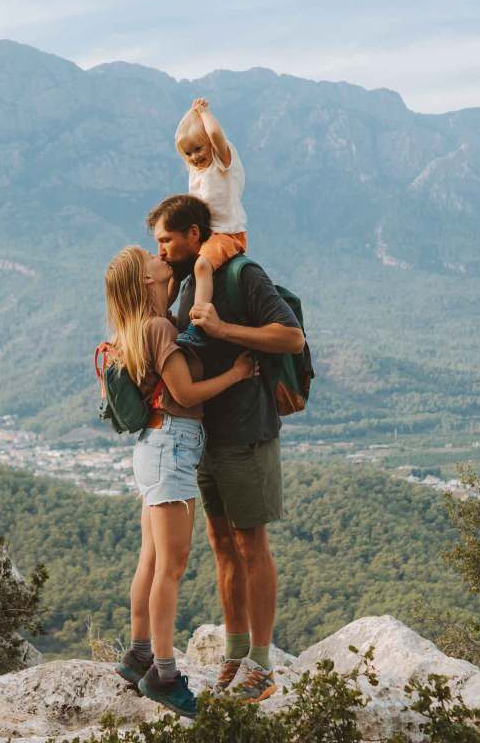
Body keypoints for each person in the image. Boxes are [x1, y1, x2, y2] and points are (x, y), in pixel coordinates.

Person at [146, 194, 305, 704]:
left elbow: (291, 337)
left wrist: (222, 329)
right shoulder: (191, 281)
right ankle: (236, 654)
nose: (163, 250)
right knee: (221, 545)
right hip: (206, 437)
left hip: (247, 432)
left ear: (195, 234)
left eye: (167, 240)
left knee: (252, 546)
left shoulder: (242, 275)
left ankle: (261, 662)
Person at [104, 245, 258, 718]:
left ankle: (139, 654)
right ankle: (165, 674)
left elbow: (192, 321)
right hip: (171, 446)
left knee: (151, 560)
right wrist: (235, 374)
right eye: (151, 259)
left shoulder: (139, 328)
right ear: (146, 281)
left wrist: (203, 271)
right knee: (171, 566)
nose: (159, 257)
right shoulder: (156, 328)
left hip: (155, 449)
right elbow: (185, 392)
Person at [171, 98, 247, 353]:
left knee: (202, 264)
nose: (195, 156)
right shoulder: (196, 171)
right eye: (188, 153)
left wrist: (203, 112)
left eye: (199, 148)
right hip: (205, 234)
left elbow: (215, 133)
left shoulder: (222, 162)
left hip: (228, 234)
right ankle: (158, 312)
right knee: (173, 264)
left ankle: (198, 326)